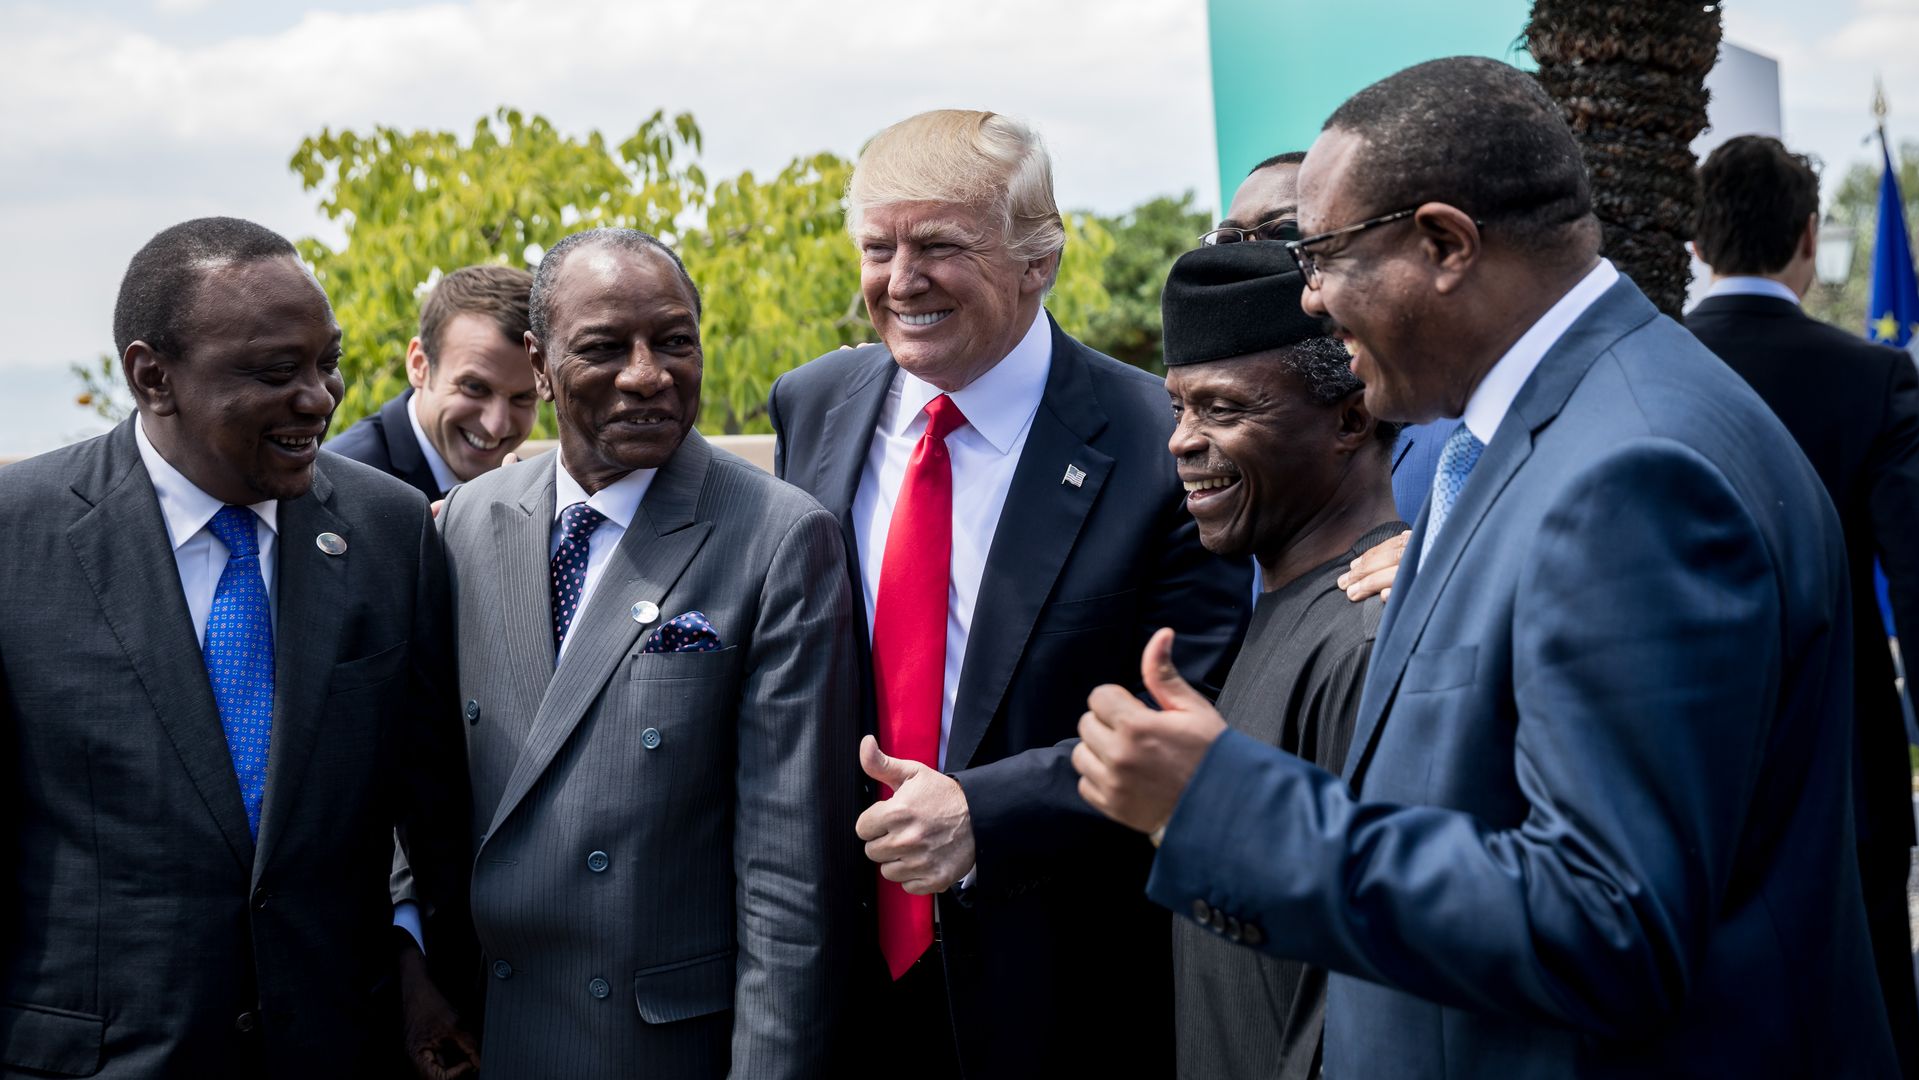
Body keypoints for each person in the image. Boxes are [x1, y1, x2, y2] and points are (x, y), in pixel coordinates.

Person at [1073, 57, 1897, 1076]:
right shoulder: (1553, 433)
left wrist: (1226, 810)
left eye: (1321, 255)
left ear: (1444, 244)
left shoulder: (1632, 475)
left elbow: (1605, 922)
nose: (1311, 299)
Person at [767, 109, 1249, 1077]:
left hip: (1060, 983)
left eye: (939, 246)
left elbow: (1192, 707)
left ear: (1041, 260)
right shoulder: (811, 404)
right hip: (841, 980)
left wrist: (983, 814)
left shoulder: (1156, 441)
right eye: (878, 248)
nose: (902, 281)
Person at [0, 217, 471, 1077]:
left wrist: (420, 963)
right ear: (153, 377)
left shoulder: (387, 531)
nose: (319, 398)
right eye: (275, 372)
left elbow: (434, 812)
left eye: (326, 362)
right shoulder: (17, 537)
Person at [434, 227, 857, 1079]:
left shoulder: (778, 536)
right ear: (539, 365)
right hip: (493, 1029)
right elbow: (420, 776)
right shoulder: (469, 521)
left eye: (674, 342)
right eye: (603, 348)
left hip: (660, 1044)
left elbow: (788, 878)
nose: (647, 374)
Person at [1687, 133, 1919, 1074]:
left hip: (1686, 776)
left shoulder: (1640, 370)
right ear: (1810, 238)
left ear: (1697, 243)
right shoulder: (1874, 378)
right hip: (1849, 771)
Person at [1157, 240, 1405, 1080]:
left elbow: (1361, 988)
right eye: (1178, 407)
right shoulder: (1280, 604)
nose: (1181, 442)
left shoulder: (1366, 639)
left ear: (1350, 419)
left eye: (1222, 409)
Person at [1206, 150, 1454, 529]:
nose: (1248, 257)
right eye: (1229, 241)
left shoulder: (1461, 431)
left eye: (1286, 233)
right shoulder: (1242, 461)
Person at [328, 264, 538, 499]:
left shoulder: (534, 489)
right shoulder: (337, 488)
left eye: (523, 397)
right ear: (419, 364)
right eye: (474, 388)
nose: (496, 426)